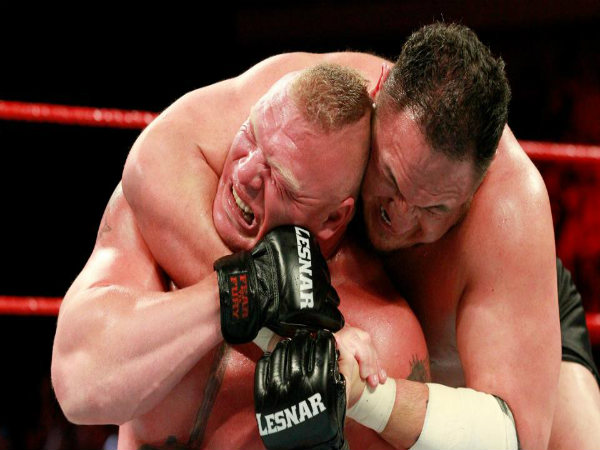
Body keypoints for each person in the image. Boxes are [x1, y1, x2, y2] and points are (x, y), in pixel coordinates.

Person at [123, 23, 600, 450]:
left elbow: (514, 437)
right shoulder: (329, 94)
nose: (401, 217)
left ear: (475, 189)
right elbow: (155, 157)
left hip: (515, 314)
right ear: (379, 94)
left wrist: (365, 393)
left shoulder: (508, 212)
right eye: (390, 178)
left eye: (434, 208)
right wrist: (261, 308)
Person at [51, 63, 429, 449]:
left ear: (332, 219)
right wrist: (237, 292)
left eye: (280, 180)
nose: (245, 174)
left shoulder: (378, 340)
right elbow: (77, 383)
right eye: (251, 136)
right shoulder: (163, 218)